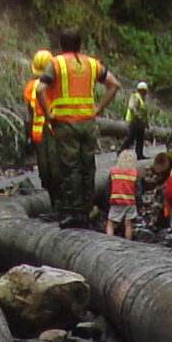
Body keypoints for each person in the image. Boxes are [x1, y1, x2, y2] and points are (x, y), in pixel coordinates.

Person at [42, 30, 119, 230]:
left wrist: (48, 114)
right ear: (80, 44)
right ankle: (87, 209)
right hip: (88, 123)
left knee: (70, 168)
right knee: (88, 166)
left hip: (66, 124)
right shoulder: (92, 64)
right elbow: (114, 84)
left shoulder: (57, 64)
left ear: (62, 44)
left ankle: (74, 213)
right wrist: (99, 107)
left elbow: (41, 89)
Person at [23, 49, 53, 168]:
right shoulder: (54, 85)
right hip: (54, 131)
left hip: (37, 133)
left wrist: (28, 135)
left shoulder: (31, 87)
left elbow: (30, 112)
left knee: (43, 166)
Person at [106, 149, 139, 237]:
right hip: (130, 202)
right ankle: (128, 242)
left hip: (117, 201)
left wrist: (108, 200)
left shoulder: (113, 172)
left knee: (110, 223)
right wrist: (139, 203)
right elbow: (137, 190)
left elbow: (108, 188)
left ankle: (110, 240)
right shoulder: (134, 173)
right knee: (128, 224)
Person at [123, 79, 154, 157]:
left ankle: (139, 154)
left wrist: (146, 123)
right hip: (133, 121)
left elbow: (144, 113)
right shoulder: (135, 97)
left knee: (140, 139)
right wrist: (138, 115)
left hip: (140, 123)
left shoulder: (143, 100)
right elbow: (131, 107)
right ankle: (121, 151)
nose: (145, 92)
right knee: (131, 138)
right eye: (143, 91)